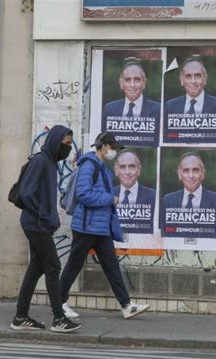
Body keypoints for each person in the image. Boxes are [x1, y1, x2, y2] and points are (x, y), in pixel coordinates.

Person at [59, 132, 149, 320]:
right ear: (103, 147)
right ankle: (58, 303)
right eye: (113, 147)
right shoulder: (89, 165)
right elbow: (83, 194)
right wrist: (110, 198)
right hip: (86, 227)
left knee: (112, 266)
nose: (114, 151)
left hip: (100, 228)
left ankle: (126, 305)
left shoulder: (101, 167)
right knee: (74, 266)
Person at [11, 125, 81, 333]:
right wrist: (47, 216)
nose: (68, 148)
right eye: (66, 143)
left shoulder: (50, 163)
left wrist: (49, 217)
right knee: (53, 266)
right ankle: (59, 318)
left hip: (39, 224)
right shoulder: (40, 161)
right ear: (55, 141)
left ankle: (20, 317)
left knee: (37, 268)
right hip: (35, 224)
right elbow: (26, 193)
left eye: (70, 144)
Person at [160, 153, 216, 238]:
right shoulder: (168, 200)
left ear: (203, 174)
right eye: (186, 170)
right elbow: (165, 235)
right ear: (179, 174)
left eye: (195, 170)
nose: (191, 176)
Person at [102, 58, 160, 143]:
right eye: (127, 80)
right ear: (121, 84)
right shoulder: (110, 109)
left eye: (137, 79)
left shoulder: (158, 109)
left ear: (144, 83)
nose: (132, 85)